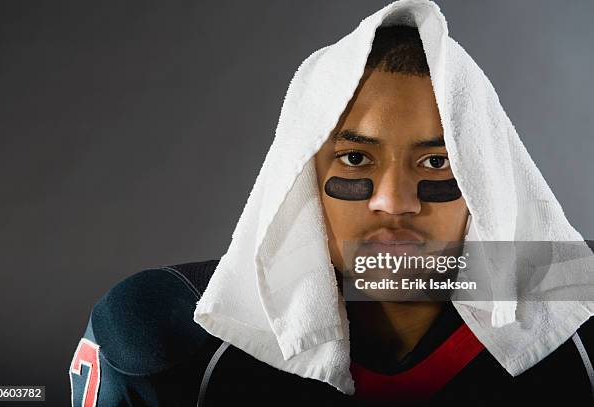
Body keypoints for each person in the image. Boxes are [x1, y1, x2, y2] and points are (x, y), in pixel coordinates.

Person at [69, 1, 594, 406]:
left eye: (436, 163)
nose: (395, 203)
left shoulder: (578, 311)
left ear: (487, 177)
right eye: (356, 160)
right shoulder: (168, 333)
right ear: (301, 176)